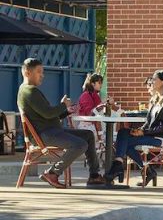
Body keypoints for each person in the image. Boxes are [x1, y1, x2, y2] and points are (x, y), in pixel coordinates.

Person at [17, 58, 105, 187]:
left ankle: (94, 175)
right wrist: (63, 105)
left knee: (88, 135)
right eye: (39, 72)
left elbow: (47, 114)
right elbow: (48, 113)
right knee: (80, 145)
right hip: (44, 134)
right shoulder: (29, 91)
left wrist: (66, 111)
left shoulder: (26, 90)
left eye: (42, 72)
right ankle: (53, 173)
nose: (42, 75)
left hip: (51, 130)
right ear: (27, 73)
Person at [104, 70, 163, 186]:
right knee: (123, 132)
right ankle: (134, 168)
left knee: (126, 142)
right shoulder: (155, 99)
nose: (152, 81)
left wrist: (143, 132)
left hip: (162, 138)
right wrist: (139, 130)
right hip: (150, 134)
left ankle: (120, 167)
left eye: (155, 79)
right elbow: (148, 122)